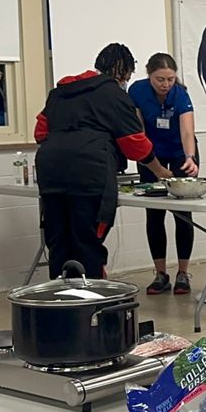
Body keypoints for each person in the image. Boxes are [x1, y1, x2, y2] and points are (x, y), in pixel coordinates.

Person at [34, 44, 172, 277]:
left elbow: (40, 132)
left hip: (50, 172)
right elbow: (134, 142)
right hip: (89, 174)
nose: (127, 81)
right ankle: (93, 305)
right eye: (127, 76)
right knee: (88, 241)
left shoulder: (60, 92)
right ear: (121, 72)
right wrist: (160, 171)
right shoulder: (113, 93)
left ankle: (60, 304)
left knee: (58, 241)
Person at [128, 52, 200, 295]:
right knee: (155, 214)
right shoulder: (137, 91)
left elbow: (188, 132)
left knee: (182, 214)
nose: (166, 84)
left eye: (170, 79)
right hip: (151, 155)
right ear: (149, 75)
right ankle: (160, 274)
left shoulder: (180, 94)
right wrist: (153, 165)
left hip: (180, 153)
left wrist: (189, 158)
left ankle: (183, 273)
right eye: (160, 79)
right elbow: (138, 129)